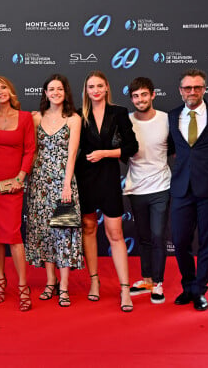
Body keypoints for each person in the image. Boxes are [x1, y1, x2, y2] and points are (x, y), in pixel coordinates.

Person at [75, 71, 138, 312]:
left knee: (115, 233)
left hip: (110, 178)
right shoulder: (79, 115)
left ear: (107, 88)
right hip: (85, 179)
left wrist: (105, 153)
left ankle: (124, 289)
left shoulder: (119, 113)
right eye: (91, 86)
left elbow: (132, 146)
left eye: (99, 85)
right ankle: (94, 282)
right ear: (86, 90)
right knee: (89, 228)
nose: (95, 90)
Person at [168, 68, 208, 311]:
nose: (192, 92)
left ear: (204, 89)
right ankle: (188, 285)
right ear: (181, 91)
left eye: (197, 87)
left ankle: (200, 290)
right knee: (180, 241)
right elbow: (170, 147)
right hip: (180, 187)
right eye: (188, 88)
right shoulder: (171, 116)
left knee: (206, 241)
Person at [26, 73, 83, 308]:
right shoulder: (36, 118)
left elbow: (72, 155)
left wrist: (67, 184)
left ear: (65, 92)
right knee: (44, 233)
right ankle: (50, 282)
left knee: (64, 234)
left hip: (63, 184)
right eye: (51, 89)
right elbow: (31, 150)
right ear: (45, 92)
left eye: (59, 89)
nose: (55, 93)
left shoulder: (74, 119)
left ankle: (64, 286)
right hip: (39, 183)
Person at [0, 76, 36, 311]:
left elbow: (30, 150)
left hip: (13, 183)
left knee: (13, 234)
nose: (0, 92)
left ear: (10, 91)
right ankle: (1, 282)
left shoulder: (25, 118)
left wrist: (20, 178)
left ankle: (23, 286)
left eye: (3, 88)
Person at [124, 77, 172, 304]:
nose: (140, 99)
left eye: (144, 94)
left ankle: (159, 283)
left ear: (153, 95)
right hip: (135, 187)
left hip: (161, 186)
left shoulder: (166, 120)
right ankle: (147, 279)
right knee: (143, 237)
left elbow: (174, 150)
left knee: (157, 235)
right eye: (135, 96)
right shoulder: (126, 121)